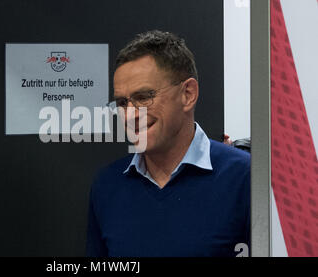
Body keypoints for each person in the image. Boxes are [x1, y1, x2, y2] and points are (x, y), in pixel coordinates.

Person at [86, 30, 250, 257]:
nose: (130, 114)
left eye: (144, 97)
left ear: (188, 94)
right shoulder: (107, 186)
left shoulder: (246, 177)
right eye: (123, 102)